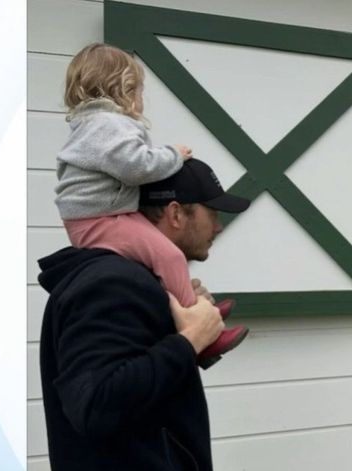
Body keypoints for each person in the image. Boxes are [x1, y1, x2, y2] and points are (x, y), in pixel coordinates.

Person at [37, 158, 251, 470]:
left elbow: (138, 385)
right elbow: (96, 405)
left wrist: (178, 333)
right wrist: (189, 341)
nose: (218, 226)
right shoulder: (111, 284)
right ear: (176, 213)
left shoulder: (136, 281)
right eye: (212, 213)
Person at [54, 42, 246, 366]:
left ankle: (196, 307)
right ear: (124, 89)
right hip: (99, 220)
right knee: (168, 253)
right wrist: (173, 154)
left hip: (103, 216)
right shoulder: (108, 124)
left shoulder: (92, 124)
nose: (142, 100)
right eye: (140, 89)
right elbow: (136, 167)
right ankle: (202, 326)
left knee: (157, 260)